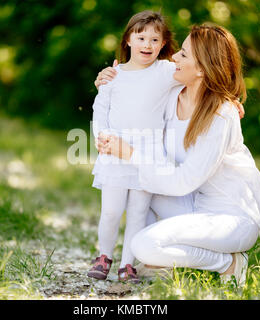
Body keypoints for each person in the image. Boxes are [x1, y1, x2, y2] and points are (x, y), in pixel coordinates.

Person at [96, 24, 260, 287]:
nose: (173, 58)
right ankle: (165, 259)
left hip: (229, 218)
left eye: (183, 54)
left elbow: (182, 180)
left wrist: (131, 153)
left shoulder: (221, 115)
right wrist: (109, 79)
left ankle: (228, 263)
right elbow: (134, 96)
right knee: (134, 189)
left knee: (143, 245)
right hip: (191, 205)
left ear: (202, 68)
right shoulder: (173, 96)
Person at [88, 10, 180, 283]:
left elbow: (198, 75)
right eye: (141, 38)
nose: (147, 45)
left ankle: (127, 265)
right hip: (115, 150)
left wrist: (229, 98)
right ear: (128, 39)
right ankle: (104, 256)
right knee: (112, 211)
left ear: (163, 44)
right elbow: (100, 108)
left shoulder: (165, 71)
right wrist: (102, 136)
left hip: (147, 154)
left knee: (138, 212)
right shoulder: (113, 75)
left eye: (155, 40)